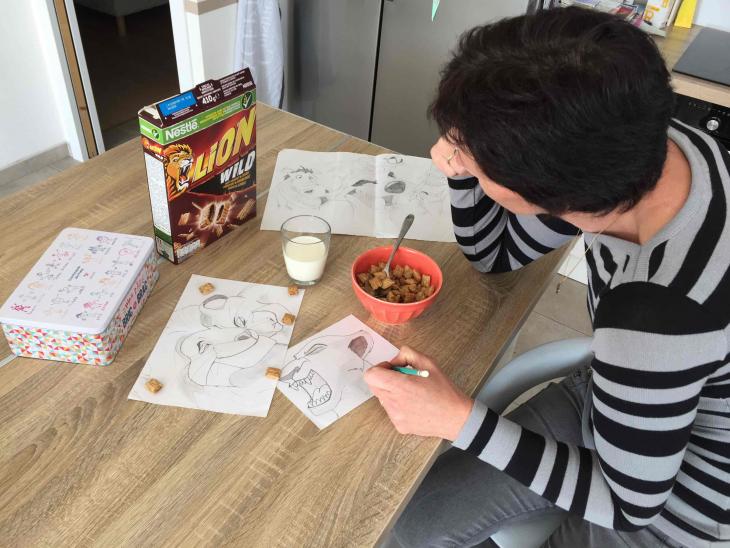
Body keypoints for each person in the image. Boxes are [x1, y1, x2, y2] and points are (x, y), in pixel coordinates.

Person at [364, 7, 730, 548]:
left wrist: (457, 418)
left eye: (477, 161)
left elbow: (628, 504)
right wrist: (463, 170)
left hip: (680, 510)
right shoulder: (649, 145)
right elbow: (495, 253)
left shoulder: (656, 314)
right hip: (614, 397)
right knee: (415, 523)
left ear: (544, 196)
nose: (460, 151)